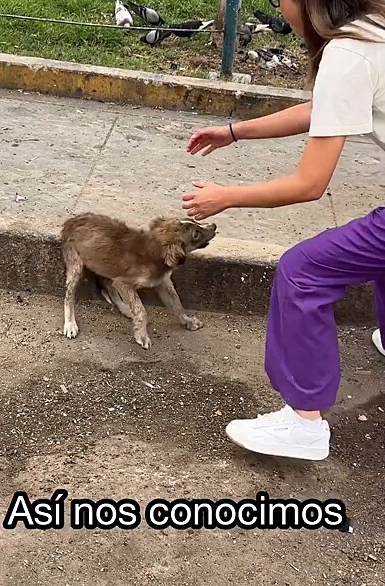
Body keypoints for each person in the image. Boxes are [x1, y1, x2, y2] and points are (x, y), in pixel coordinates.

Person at [182, 0, 385, 461]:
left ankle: (304, 423)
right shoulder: (374, 28)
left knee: (304, 270)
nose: (279, 8)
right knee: (376, 254)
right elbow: (325, 107)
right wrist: (236, 131)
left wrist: (226, 196)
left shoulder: (349, 52)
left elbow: (309, 185)